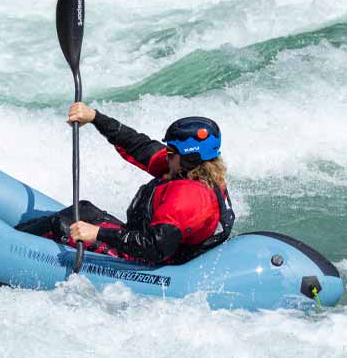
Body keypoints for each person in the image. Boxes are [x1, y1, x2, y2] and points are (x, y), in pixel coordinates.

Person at [16, 103, 235, 265]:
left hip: (151, 261)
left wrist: (97, 234)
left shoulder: (188, 199)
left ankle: (11, 246)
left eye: (170, 152)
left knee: (61, 226)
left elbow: (154, 248)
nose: (166, 155)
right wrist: (95, 117)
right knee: (83, 209)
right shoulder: (189, 168)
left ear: (190, 158)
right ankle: (14, 233)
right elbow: (139, 146)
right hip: (150, 240)